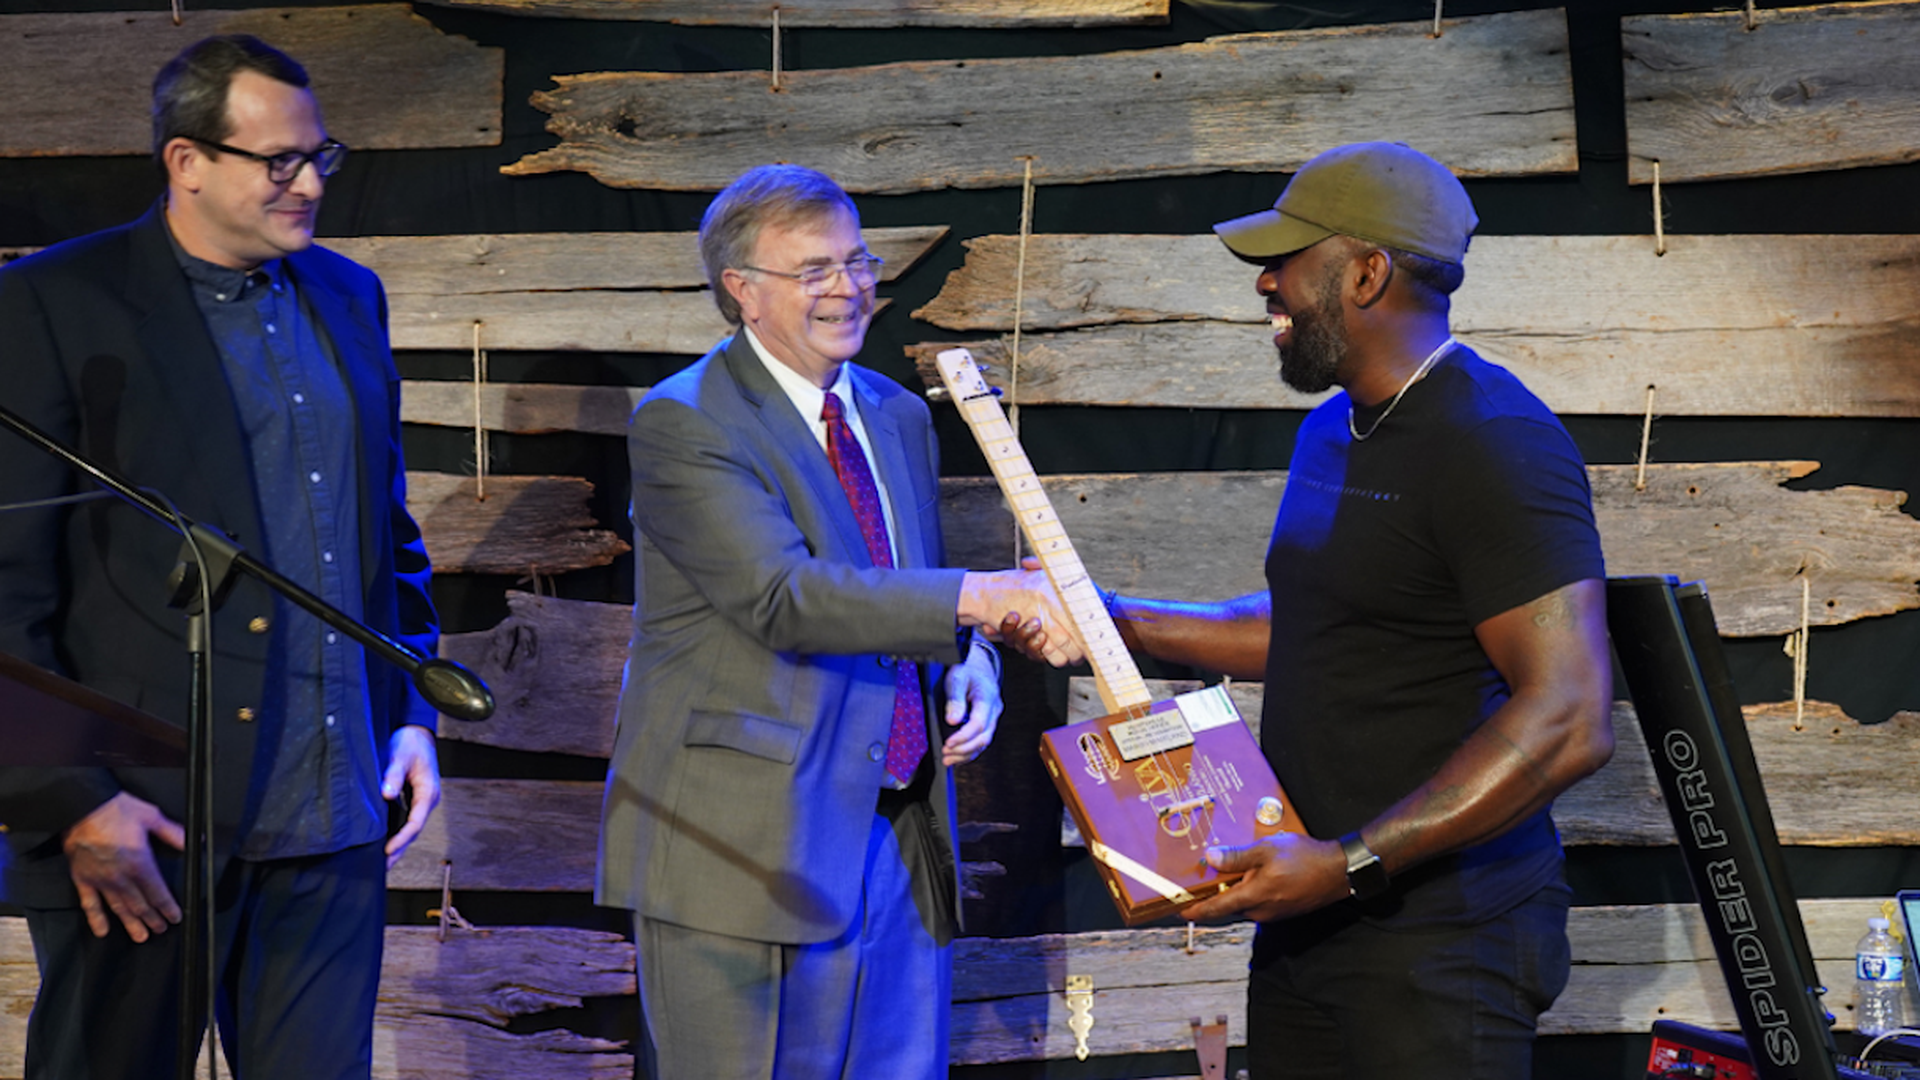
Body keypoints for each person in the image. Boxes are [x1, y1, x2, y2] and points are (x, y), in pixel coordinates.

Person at [1018, 142, 1614, 1078]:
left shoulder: (1496, 442)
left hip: (1441, 944)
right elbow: (1317, 624)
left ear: (1369, 272)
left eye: (1289, 258)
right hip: (1309, 921)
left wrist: (1348, 865)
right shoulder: (1331, 427)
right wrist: (1109, 619)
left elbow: (1570, 718)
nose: (1266, 282)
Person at [0, 35, 440, 1078]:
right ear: (186, 161)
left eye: (319, 154)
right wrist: (71, 797)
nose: (307, 182)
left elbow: (384, 531)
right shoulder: (57, 306)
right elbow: (4, 587)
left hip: (332, 823)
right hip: (144, 827)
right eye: (276, 160)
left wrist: (408, 709)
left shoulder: (346, 296)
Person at [597, 163, 1083, 1080]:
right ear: (740, 290)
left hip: (898, 831)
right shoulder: (685, 422)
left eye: (857, 262)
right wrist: (979, 599)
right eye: (813, 269)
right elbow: (782, 598)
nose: (848, 288)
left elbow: (895, 585)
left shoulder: (896, 415)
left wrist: (965, 655)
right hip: (743, 849)